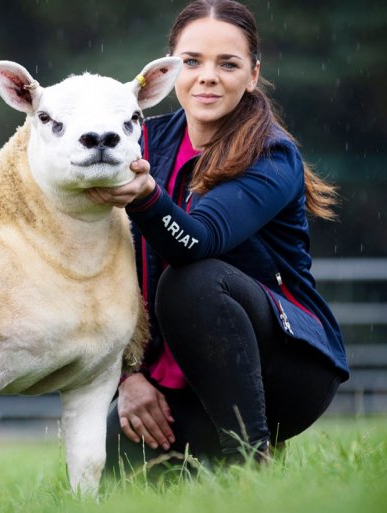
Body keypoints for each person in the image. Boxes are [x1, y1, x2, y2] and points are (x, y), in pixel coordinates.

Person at [86, 0, 349, 473]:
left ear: (252, 75)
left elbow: (196, 241)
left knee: (195, 280)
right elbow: (98, 268)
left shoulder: (273, 155)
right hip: (172, 376)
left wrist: (146, 196)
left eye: (228, 63)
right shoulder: (141, 141)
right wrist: (128, 376)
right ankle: (208, 456)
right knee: (116, 475)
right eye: (192, 62)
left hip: (287, 369)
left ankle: (252, 463)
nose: (207, 76)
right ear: (169, 71)